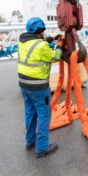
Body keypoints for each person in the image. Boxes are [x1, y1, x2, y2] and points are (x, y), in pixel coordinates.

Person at [18, 17, 64, 158]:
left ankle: (30, 142)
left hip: (24, 85)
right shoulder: (42, 46)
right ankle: (42, 148)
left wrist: (51, 39)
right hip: (38, 88)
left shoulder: (22, 41)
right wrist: (59, 44)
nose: (44, 33)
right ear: (39, 31)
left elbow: (37, 45)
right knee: (44, 115)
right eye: (43, 31)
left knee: (30, 113)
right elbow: (56, 56)